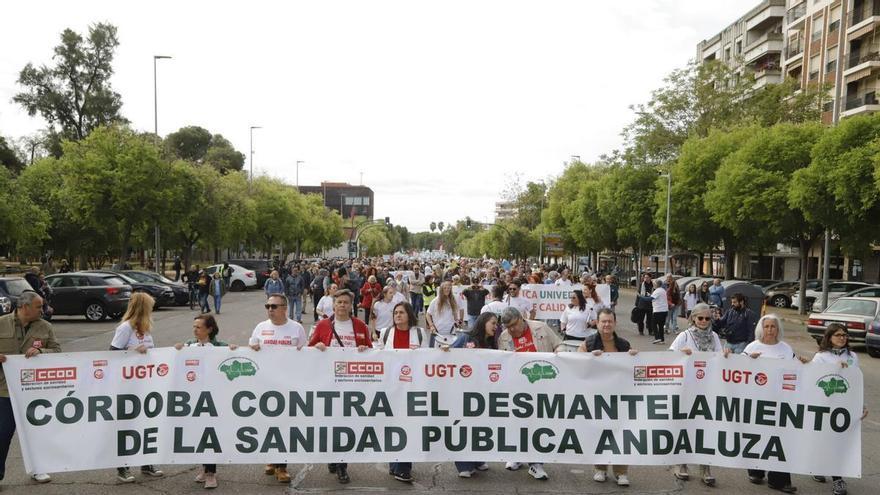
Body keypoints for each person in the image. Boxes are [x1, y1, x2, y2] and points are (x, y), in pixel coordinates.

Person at [309, 289, 372, 484]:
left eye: (346, 302)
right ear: (333, 305)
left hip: (352, 383)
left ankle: (342, 465)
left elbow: (372, 350)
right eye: (339, 302)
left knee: (347, 425)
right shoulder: (322, 325)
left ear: (351, 305)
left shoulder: (360, 325)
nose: (342, 305)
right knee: (329, 423)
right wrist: (316, 347)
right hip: (328, 382)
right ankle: (332, 457)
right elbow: (308, 350)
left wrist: (365, 349)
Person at [0, 290, 58, 485]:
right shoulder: (1, 323)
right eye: (39, 306)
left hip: (34, 391)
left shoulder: (45, 327)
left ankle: (38, 469)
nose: (43, 310)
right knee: (3, 433)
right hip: (5, 390)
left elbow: (58, 352)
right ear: (25, 307)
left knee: (36, 433)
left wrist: (42, 351)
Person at [668, 302, 729, 487]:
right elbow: (669, 356)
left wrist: (725, 354)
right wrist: (681, 353)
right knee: (685, 426)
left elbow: (720, 359)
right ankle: (682, 464)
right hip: (687, 389)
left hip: (708, 389)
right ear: (693, 318)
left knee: (707, 428)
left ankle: (705, 467)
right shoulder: (684, 336)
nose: (703, 321)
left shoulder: (715, 337)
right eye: (700, 317)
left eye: (707, 318)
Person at [248, 293, 308, 483]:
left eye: (274, 306)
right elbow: (251, 346)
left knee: (285, 426)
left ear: (284, 308)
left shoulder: (296, 328)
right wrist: (252, 346)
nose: (270, 310)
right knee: (267, 425)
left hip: (288, 385)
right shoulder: (260, 327)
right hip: (265, 385)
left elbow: (307, 355)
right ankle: (271, 459)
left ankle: (282, 466)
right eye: (268, 306)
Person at [743, 314, 806, 493]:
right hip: (756, 401)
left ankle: (779, 480)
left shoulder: (785, 348)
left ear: (778, 329)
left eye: (773, 327)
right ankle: (755, 470)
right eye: (767, 326)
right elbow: (736, 371)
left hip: (780, 401)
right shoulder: (752, 347)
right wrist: (748, 361)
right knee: (757, 436)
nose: (770, 330)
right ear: (761, 329)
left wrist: (803, 364)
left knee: (779, 439)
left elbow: (795, 370)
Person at [174, 314, 237, 489]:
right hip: (194, 399)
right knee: (199, 434)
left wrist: (234, 349)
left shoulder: (219, 346)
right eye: (194, 327)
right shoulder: (189, 345)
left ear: (209, 329)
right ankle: (204, 468)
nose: (195, 330)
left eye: (198, 327)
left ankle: (211, 473)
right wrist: (177, 349)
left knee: (211, 435)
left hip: (214, 399)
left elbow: (232, 355)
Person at [497, 307, 560, 480]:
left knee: (538, 426)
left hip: (542, 386)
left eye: (514, 325)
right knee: (517, 423)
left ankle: (536, 464)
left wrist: (559, 353)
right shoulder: (504, 337)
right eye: (508, 327)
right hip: (517, 389)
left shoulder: (541, 328)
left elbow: (559, 344)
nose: (512, 330)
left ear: (522, 318)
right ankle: (516, 456)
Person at [578, 308, 637, 487]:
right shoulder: (588, 344)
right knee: (600, 432)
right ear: (597, 322)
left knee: (621, 433)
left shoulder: (624, 344)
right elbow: (575, 366)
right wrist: (588, 358)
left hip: (619, 396)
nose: (606, 324)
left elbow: (633, 369)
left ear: (615, 323)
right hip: (596, 396)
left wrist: (636, 357)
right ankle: (600, 468)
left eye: (610, 321)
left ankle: (621, 472)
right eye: (603, 321)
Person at [109, 292, 164, 482]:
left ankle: (146, 463)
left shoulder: (146, 328)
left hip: (145, 384)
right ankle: (122, 467)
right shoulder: (125, 328)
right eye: (150, 306)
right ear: (143, 308)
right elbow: (112, 354)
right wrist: (132, 351)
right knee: (126, 426)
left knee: (146, 424)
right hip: (127, 385)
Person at [809, 323, 868, 495]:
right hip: (825, 406)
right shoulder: (821, 357)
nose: (842, 338)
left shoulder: (853, 356)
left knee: (840, 442)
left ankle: (838, 479)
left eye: (844, 335)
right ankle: (819, 467)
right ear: (829, 337)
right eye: (838, 335)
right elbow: (812, 380)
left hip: (845, 407)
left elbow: (857, 383)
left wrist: (862, 405)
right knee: (824, 441)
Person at [379, 302, 430, 482]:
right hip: (391, 388)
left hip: (412, 389)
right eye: (395, 312)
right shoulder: (385, 333)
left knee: (407, 426)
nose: (397, 315)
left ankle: (403, 467)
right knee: (393, 426)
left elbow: (427, 359)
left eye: (401, 312)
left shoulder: (418, 333)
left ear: (409, 315)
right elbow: (378, 357)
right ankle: (395, 465)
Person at [446, 312, 497, 477]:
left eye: (496, 324)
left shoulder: (492, 343)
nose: (495, 327)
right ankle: (464, 465)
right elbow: (450, 356)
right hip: (462, 391)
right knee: (463, 426)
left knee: (480, 427)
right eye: (493, 323)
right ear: (483, 323)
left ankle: (478, 460)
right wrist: (445, 350)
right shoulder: (465, 338)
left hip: (482, 392)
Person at [650, 279, 669, 345]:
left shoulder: (657, 291)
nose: (653, 284)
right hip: (664, 310)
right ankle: (662, 339)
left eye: (654, 283)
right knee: (661, 325)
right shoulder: (663, 290)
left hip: (658, 310)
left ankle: (657, 337)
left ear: (657, 284)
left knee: (653, 323)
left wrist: (641, 297)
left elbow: (650, 298)